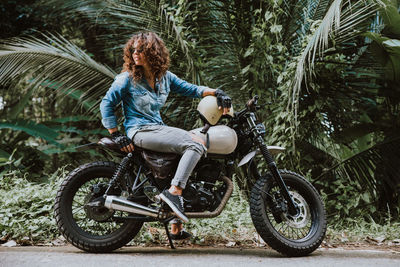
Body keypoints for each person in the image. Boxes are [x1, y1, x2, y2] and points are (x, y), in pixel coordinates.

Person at [100, 32, 231, 240]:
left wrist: (217, 92)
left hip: (157, 129)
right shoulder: (126, 79)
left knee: (185, 157)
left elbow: (192, 89)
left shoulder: (165, 78)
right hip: (140, 131)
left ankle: (175, 226)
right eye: (133, 49)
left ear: (153, 52)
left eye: (140, 49)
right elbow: (106, 103)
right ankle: (174, 192)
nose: (135, 53)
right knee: (195, 145)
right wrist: (116, 134)